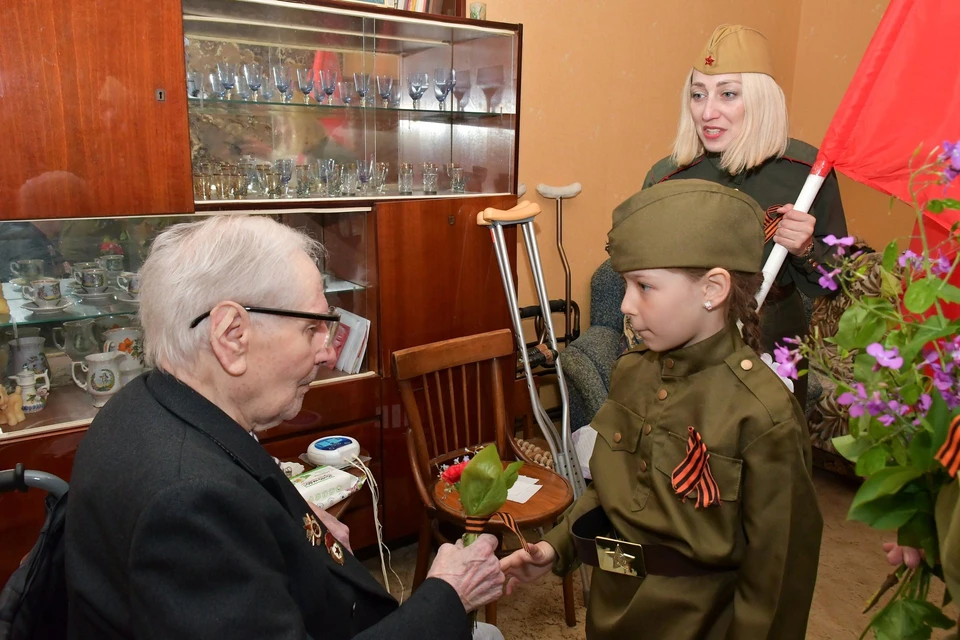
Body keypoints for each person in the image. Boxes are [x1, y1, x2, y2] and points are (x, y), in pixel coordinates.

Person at [65, 215, 505, 639]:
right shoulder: (187, 504)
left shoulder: (141, 404)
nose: (328, 354)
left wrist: (288, 525)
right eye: (311, 327)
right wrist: (450, 593)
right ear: (232, 335)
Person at [501, 180, 823, 639]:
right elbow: (611, 490)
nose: (627, 305)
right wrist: (556, 549)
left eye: (644, 286)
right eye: (626, 285)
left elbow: (779, 573)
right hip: (614, 608)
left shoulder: (762, 413)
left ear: (712, 289)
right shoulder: (633, 373)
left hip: (700, 621)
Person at [634, 24, 849, 410]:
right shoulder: (666, 178)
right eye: (698, 95)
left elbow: (835, 283)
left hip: (774, 335)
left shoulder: (806, 173)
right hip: (687, 339)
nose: (707, 111)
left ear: (762, 100)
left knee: (772, 457)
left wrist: (806, 248)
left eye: (728, 94)